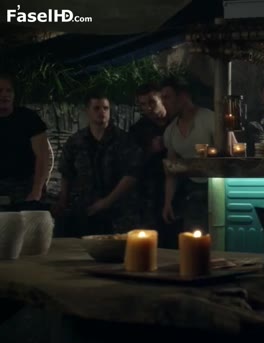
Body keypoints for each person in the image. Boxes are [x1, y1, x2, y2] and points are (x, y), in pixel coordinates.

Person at [54, 92, 143, 236]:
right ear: (87, 111)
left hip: (118, 212)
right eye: (96, 108)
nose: (102, 112)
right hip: (85, 211)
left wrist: (106, 202)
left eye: (105, 108)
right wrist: (63, 201)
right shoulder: (75, 142)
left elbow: (132, 174)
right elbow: (67, 173)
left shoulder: (124, 140)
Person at [160, 77, 215, 233]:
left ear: (183, 97)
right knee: (192, 237)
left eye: (167, 97)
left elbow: (232, 151)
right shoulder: (170, 131)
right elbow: (171, 171)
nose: (164, 103)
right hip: (193, 192)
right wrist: (168, 202)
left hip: (217, 188)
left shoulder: (209, 119)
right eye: (162, 98)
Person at [129, 83, 174, 246]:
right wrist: (150, 150)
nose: (148, 108)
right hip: (150, 194)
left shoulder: (177, 122)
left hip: (179, 190)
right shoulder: (138, 130)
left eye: (151, 102)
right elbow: (132, 165)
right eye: (143, 104)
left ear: (161, 99)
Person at [0, 72, 52, 206]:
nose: (5, 94)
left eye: (9, 91)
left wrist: (36, 190)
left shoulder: (28, 118)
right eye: (0, 91)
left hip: (26, 185)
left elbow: (43, 156)